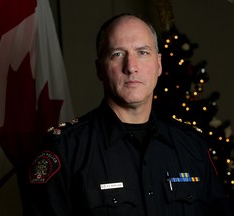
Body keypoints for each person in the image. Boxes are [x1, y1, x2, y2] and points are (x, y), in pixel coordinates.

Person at [28, 13, 233, 216]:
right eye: (117, 54)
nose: (131, 67)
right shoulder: (66, 151)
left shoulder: (192, 147)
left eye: (142, 52)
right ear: (100, 69)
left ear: (159, 64)